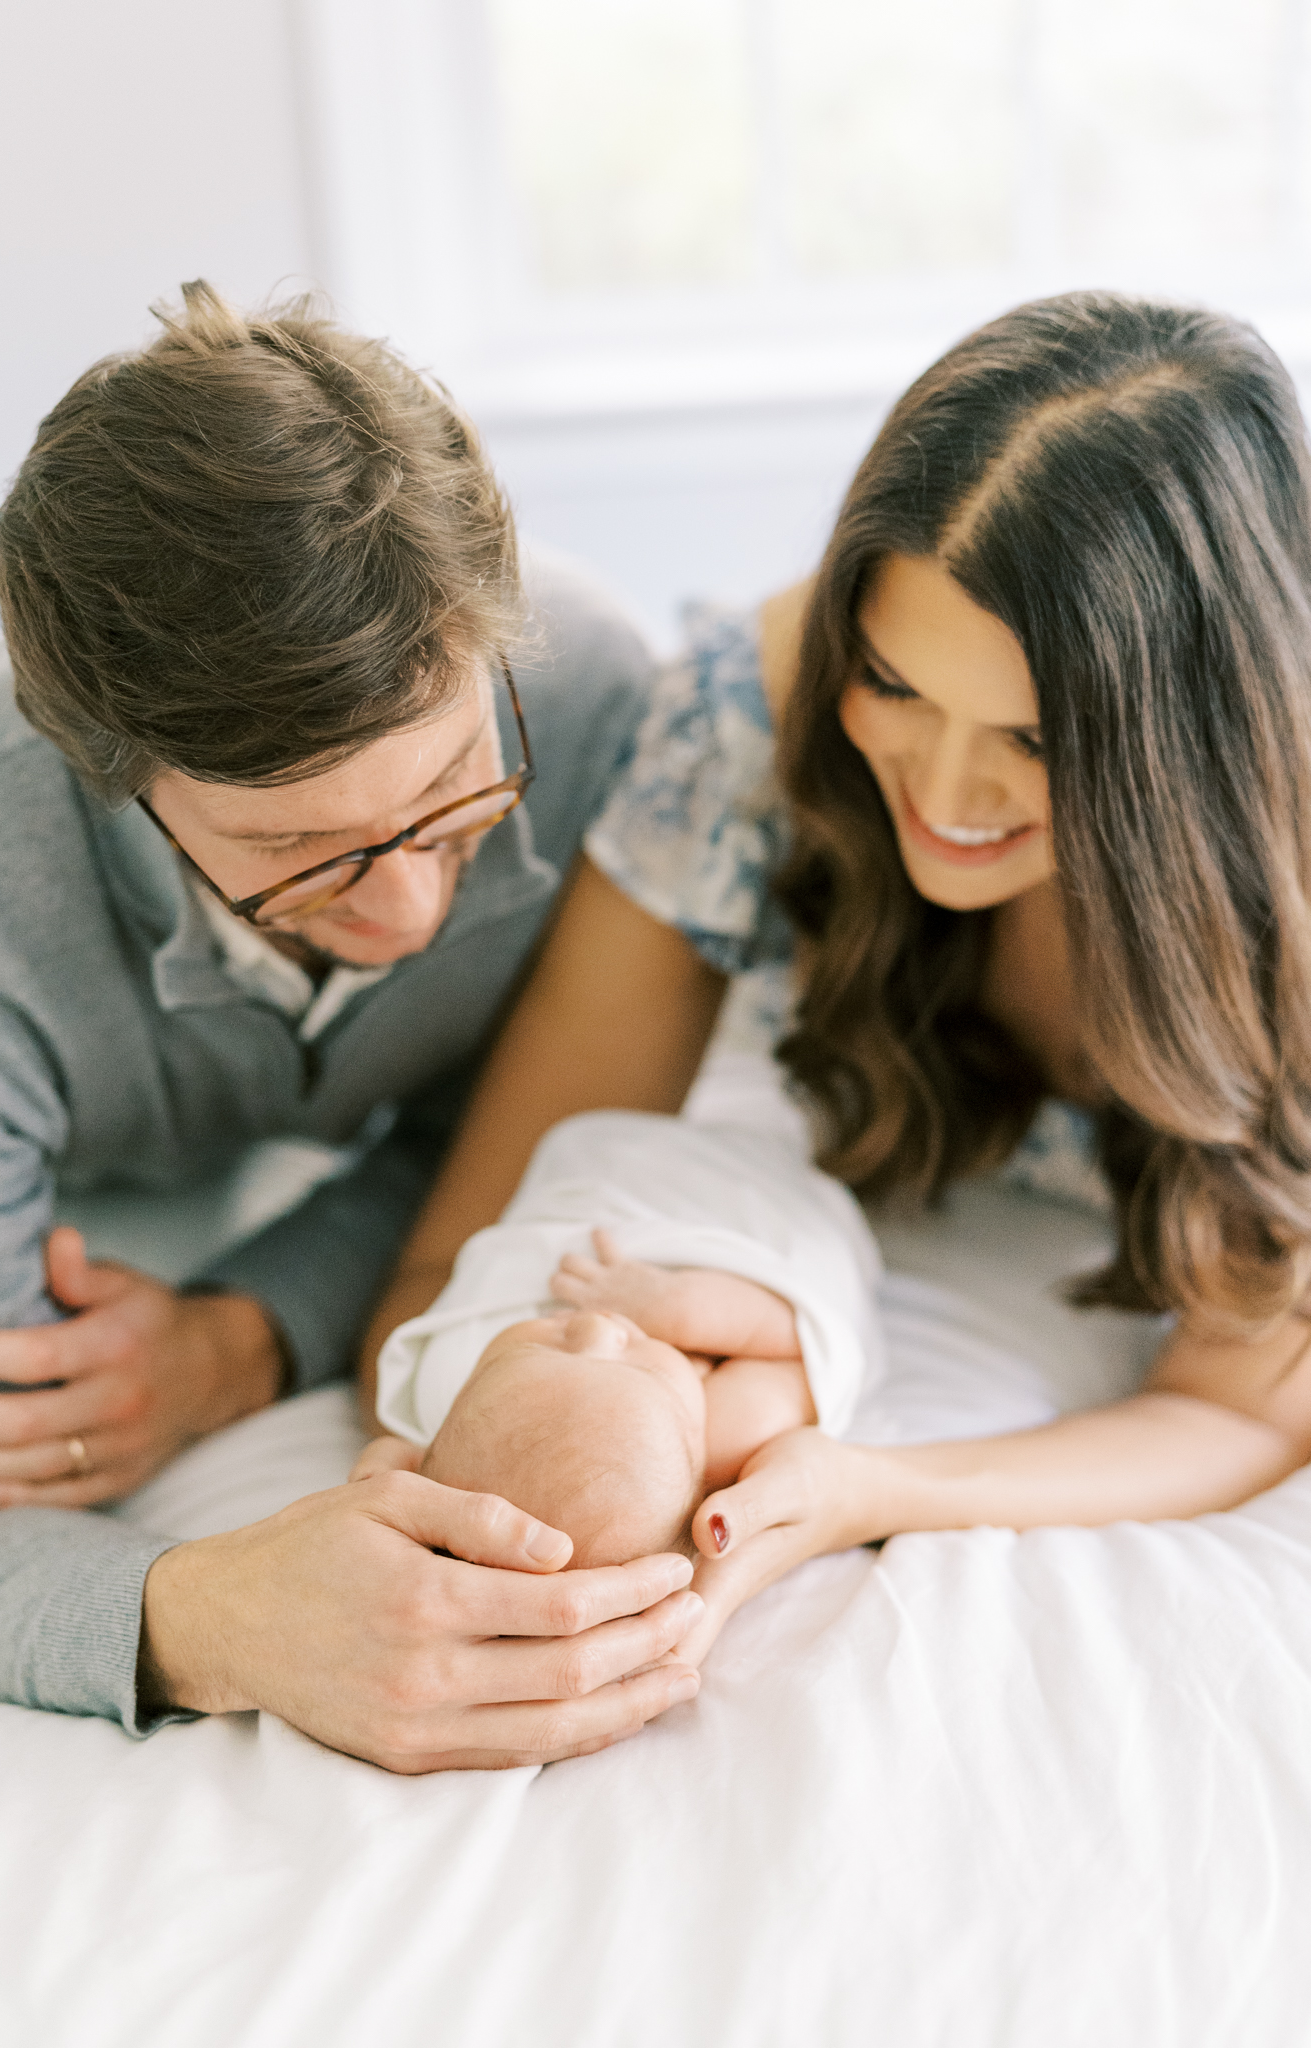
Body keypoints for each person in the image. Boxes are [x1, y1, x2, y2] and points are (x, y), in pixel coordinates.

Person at [0, 282, 706, 1769]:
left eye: (454, 802)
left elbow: (487, 1134)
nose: (414, 914)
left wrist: (241, 1339)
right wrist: (224, 1616)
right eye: (312, 853)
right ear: (117, 777)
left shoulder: (603, 699)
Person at [359, 291, 1311, 1674]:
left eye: (1035, 742)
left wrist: (861, 1485)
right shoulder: (749, 717)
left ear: (1191, 758)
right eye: (891, 680)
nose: (939, 787)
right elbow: (460, 1254)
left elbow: (1238, 1410)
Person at [360, 1108, 884, 1566]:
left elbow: (399, 1446)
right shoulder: (726, 1438)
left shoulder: (449, 1397)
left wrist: (389, 1463)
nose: (597, 1325)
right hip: (759, 1209)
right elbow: (807, 1342)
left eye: (541, 1347)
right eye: (641, 1366)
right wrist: (680, 1310)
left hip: (616, 1177)